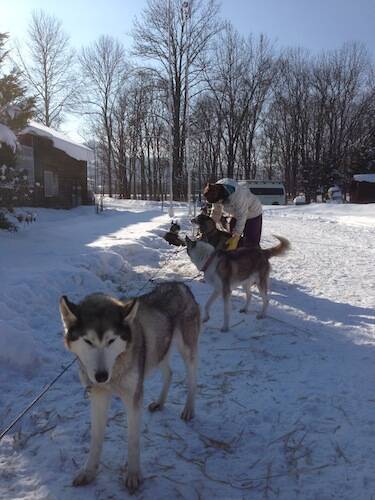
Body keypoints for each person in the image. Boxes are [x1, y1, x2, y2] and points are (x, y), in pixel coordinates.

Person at [203, 178, 263, 250]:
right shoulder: (215, 190)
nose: (218, 203)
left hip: (253, 213)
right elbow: (216, 212)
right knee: (230, 236)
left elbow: (242, 216)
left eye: (218, 201)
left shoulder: (237, 196)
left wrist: (236, 236)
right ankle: (236, 256)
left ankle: (255, 257)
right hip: (236, 214)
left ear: (221, 195)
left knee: (251, 241)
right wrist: (210, 225)